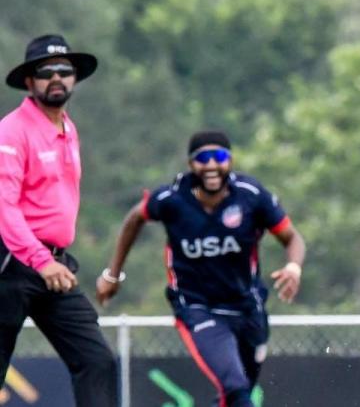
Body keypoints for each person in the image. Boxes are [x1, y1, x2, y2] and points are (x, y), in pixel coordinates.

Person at [96, 130, 306, 407]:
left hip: (247, 307)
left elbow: (292, 238)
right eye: (202, 158)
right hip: (197, 307)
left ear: (229, 161)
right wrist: (113, 274)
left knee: (238, 391)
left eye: (219, 157)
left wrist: (293, 267)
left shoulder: (251, 196)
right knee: (236, 387)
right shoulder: (172, 199)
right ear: (191, 164)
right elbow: (135, 218)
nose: (211, 166)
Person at [0, 34, 118, 406]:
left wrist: (51, 260)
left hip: (54, 265)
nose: (56, 77)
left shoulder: (68, 129)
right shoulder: (12, 131)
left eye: (64, 71)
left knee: (97, 359)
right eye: (45, 71)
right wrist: (40, 260)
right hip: (11, 263)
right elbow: (4, 207)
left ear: (74, 79)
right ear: (30, 82)